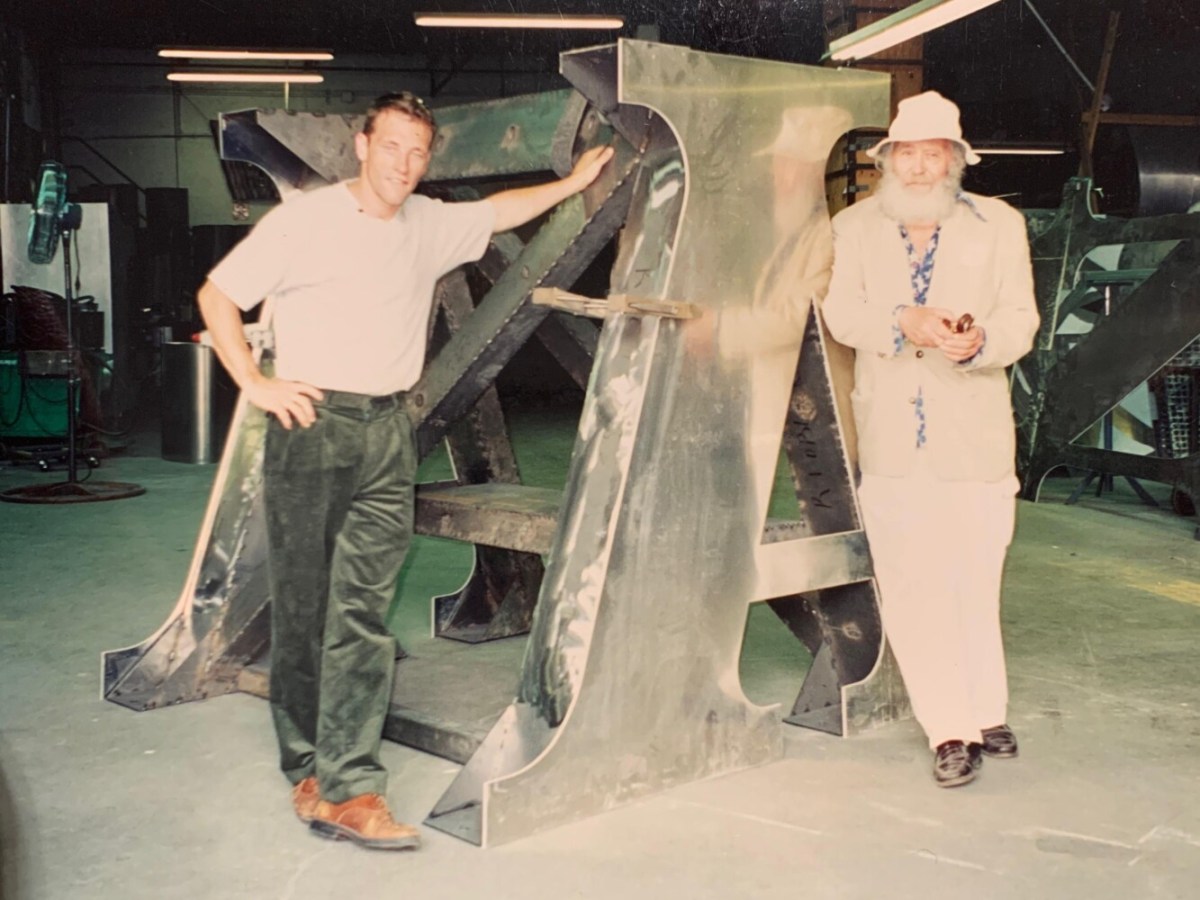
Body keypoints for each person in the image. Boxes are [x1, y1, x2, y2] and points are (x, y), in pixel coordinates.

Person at [197, 91, 613, 848]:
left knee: (360, 611)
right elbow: (217, 295)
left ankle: (349, 786)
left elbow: (498, 211)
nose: (405, 163)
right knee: (304, 608)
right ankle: (309, 765)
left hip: (389, 431)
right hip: (311, 425)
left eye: (418, 152)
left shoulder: (426, 223)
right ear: (363, 146)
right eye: (392, 146)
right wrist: (255, 383)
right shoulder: (306, 221)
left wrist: (573, 182)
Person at [820, 91, 1039, 787]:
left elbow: (1021, 318)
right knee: (914, 590)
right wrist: (901, 321)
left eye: (932, 155)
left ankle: (986, 710)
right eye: (906, 154)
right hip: (892, 440)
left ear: (954, 161)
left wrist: (981, 342)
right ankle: (949, 729)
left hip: (975, 437)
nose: (918, 168)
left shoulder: (999, 224)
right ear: (888, 160)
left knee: (976, 580)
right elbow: (839, 312)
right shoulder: (854, 227)